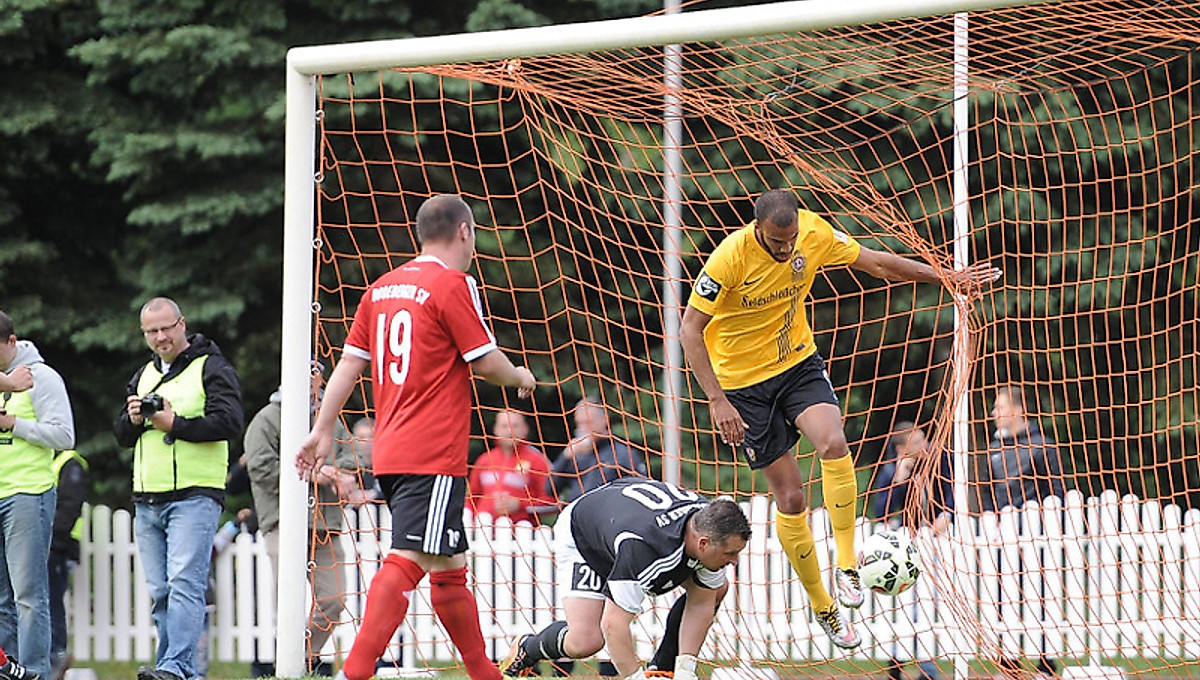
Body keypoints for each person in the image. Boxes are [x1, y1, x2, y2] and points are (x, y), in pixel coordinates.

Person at [679, 189, 1002, 649]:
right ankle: (823, 605)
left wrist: (946, 277)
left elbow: (877, 263)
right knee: (791, 498)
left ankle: (848, 565)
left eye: (791, 241)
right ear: (757, 230)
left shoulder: (813, 232)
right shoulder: (728, 259)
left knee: (833, 442)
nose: (786, 250)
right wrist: (717, 400)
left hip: (797, 365)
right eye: (776, 243)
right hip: (744, 388)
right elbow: (690, 329)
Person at [294, 194, 538, 680]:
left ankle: (483, 673)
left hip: (390, 451)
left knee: (449, 566)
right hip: (433, 452)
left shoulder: (381, 288)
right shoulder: (453, 284)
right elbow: (484, 361)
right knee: (410, 557)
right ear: (465, 232)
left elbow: (349, 364)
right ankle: (356, 670)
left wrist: (321, 429)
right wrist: (519, 376)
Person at [498, 477, 751, 680]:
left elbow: (702, 602)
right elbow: (613, 625)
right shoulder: (643, 549)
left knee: (716, 588)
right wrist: (634, 677)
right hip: (585, 536)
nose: (734, 561)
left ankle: (663, 669)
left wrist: (686, 670)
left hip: (623, 515)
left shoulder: (707, 523)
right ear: (703, 543)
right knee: (585, 641)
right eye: (730, 553)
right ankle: (527, 648)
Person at [113, 297, 243, 680]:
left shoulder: (212, 366)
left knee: (185, 583)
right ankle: (175, 669)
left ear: (182, 324)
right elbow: (121, 435)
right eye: (151, 331)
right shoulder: (143, 375)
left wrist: (176, 425)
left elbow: (230, 422)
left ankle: (175, 667)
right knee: (160, 591)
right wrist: (133, 419)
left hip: (195, 494)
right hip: (148, 497)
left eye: (165, 328)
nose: (160, 337)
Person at [245, 363, 361, 676]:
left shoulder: (331, 419)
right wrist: (316, 474)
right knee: (289, 601)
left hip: (325, 524)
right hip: (281, 523)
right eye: (303, 372)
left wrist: (341, 473)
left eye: (315, 373)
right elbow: (261, 468)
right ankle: (292, 665)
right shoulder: (267, 419)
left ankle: (302, 657)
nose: (310, 379)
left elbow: (351, 459)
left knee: (334, 600)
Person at [0, 312, 74, 680]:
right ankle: (7, 671)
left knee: (28, 595)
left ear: (12, 342)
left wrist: (13, 424)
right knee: (0, 598)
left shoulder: (41, 377)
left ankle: (35, 673)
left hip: (27, 493)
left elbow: (64, 435)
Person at [979, 386, 1065, 679]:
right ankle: (1008, 665)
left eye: (1000, 407)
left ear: (1018, 410)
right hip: (1004, 536)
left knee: (1041, 597)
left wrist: (1047, 525)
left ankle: (1045, 666)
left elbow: (1056, 490)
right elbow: (988, 491)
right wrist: (992, 521)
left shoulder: (1042, 446)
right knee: (1004, 598)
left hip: (1037, 535)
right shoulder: (993, 449)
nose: (994, 413)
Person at [869, 422, 951, 680]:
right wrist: (900, 478)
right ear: (901, 449)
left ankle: (923, 667)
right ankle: (898, 663)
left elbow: (952, 492)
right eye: (917, 443)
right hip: (905, 545)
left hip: (936, 540)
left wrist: (947, 515)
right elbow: (881, 511)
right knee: (905, 606)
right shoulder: (891, 469)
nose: (924, 446)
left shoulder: (939, 460)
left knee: (927, 605)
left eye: (924, 439)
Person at [550, 397, 648, 505]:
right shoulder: (575, 455)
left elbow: (642, 490)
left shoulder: (622, 454)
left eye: (588, 422)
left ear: (604, 419)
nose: (583, 428)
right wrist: (565, 457)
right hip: (577, 512)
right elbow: (550, 489)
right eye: (579, 423)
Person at [469, 410, 555, 524]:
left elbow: (553, 502)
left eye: (515, 426)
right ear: (495, 430)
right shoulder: (484, 460)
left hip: (522, 529)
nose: (510, 431)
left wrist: (521, 505)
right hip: (484, 528)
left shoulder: (538, 461)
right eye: (504, 426)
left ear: (525, 429)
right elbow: (471, 499)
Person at [48, 449, 89, 680]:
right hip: (53, 545)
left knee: (51, 602)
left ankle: (56, 655)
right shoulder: (54, 461)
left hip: (58, 547)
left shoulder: (70, 463)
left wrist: (53, 542)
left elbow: (69, 506)